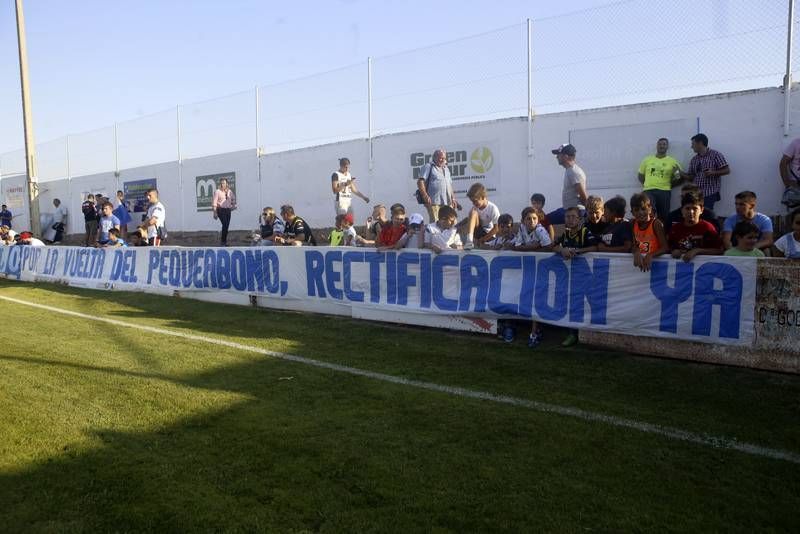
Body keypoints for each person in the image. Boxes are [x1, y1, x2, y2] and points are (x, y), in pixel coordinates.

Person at [668, 190, 723, 262]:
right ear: (682, 210)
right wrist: (673, 251)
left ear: (701, 210)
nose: (691, 212)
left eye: (695, 208)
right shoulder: (675, 229)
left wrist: (697, 251)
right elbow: (668, 247)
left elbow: (719, 250)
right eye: (687, 208)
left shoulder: (708, 228)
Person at [679, 133, 729, 210]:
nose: (691, 147)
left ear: (700, 143)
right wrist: (680, 173)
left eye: (693, 144)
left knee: (706, 215)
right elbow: (691, 177)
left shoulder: (715, 155)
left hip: (710, 192)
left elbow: (727, 170)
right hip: (696, 194)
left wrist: (712, 172)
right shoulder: (694, 159)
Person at [638, 138, 683, 220]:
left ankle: (663, 231)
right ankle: (651, 231)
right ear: (656, 146)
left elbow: (679, 178)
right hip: (649, 190)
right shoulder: (647, 160)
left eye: (664, 144)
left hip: (664, 191)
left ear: (667, 147)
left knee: (664, 215)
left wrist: (670, 185)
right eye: (660, 144)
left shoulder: (672, 162)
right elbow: (640, 176)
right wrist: (648, 184)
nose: (662, 146)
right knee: (649, 212)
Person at [546, 144, 588, 225]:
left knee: (544, 220)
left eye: (558, 155)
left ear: (566, 156)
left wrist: (588, 213)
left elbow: (583, 196)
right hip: (569, 210)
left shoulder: (574, 172)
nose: (556, 157)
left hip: (575, 211)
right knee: (544, 219)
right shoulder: (570, 170)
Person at [630, 193, 668, 272]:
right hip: (641, 265)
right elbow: (633, 245)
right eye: (636, 210)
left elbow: (665, 248)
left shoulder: (656, 224)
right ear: (632, 212)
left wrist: (650, 255)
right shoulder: (632, 224)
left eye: (643, 209)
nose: (640, 212)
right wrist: (636, 252)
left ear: (650, 209)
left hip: (656, 265)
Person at [416, 148, 456, 222]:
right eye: (441, 158)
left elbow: (449, 185)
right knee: (436, 223)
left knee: (450, 221)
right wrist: (425, 195)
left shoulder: (446, 169)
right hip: (433, 202)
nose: (443, 160)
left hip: (447, 202)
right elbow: (420, 182)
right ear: (434, 157)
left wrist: (453, 198)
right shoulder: (428, 166)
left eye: (444, 158)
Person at [462, 182, 500, 250]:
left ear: (483, 197)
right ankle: (469, 241)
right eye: (472, 202)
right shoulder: (474, 208)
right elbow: (469, 220)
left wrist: (483, 239)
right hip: (478, 233)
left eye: (475, 201)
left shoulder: (493, 208)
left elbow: (496, 228)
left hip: (489, 235)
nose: (474, 203)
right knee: (473, 213)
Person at [212, 178, 236, 246]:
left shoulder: (229, 192)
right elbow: (214, 202)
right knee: (225, 224)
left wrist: (233, 205)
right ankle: (223, 242)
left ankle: (224, 242)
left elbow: (233, 198)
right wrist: (215, 212)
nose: (222, 184)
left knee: (226, 226)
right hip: (220, 210)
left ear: (227, 184)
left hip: (228, 210)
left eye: (224, 183)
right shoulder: (217, 191)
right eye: (221, 183)